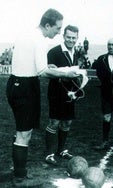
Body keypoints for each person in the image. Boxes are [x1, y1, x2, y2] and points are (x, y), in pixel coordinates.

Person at [6, 9, 80, 187]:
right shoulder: (39, 39)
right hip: (25, 86)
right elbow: (43, 72)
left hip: (17, 84)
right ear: (47, 25)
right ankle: (19, 177)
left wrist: (50, 66)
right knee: (24, 134)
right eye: (57, 28)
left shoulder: (27, 34)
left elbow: (33, 63)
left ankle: (18, 170)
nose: (59, 32)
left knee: (22, 132)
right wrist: (67, 74)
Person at [45, 25, 85, 165]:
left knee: (67, 122)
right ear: (63, 36)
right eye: (68, 37)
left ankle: (61, 150)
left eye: (74, 38)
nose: (71, 40)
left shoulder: (76, 52)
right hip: (56, 92)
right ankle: (49, 154)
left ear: (77, 38)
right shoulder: (54, 52)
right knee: (54, 122)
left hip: (70, 93)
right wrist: (63, 74)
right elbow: (48, 73)